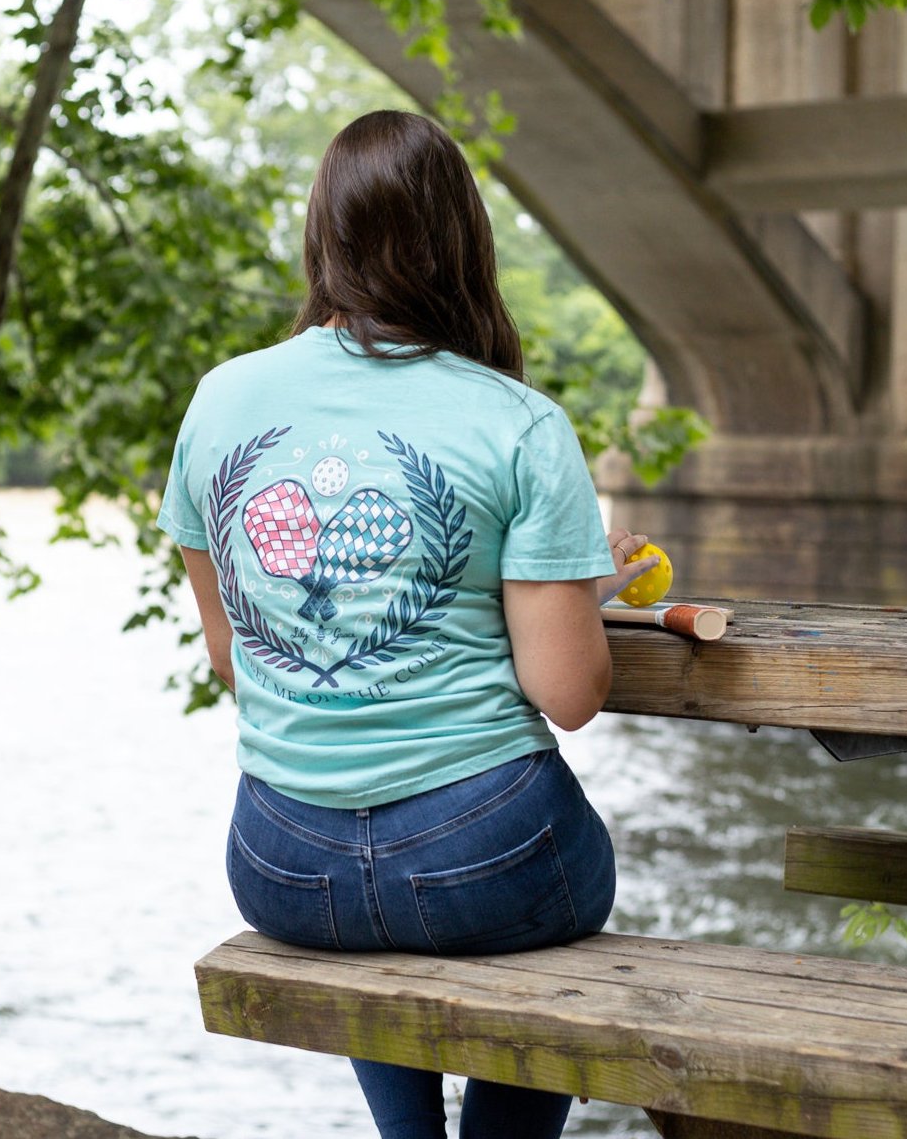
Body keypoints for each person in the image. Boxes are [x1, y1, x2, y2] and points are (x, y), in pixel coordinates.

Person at [158, 109, 656, 1139]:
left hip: (281, 862)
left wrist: (556, 582)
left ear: (322, 238)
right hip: (488, 856)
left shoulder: (219, 402)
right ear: (462, 241)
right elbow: (568, 696)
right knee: (558, 882)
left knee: (373, 904)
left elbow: (233, 659)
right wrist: (574, 588)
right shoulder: (516, 422)